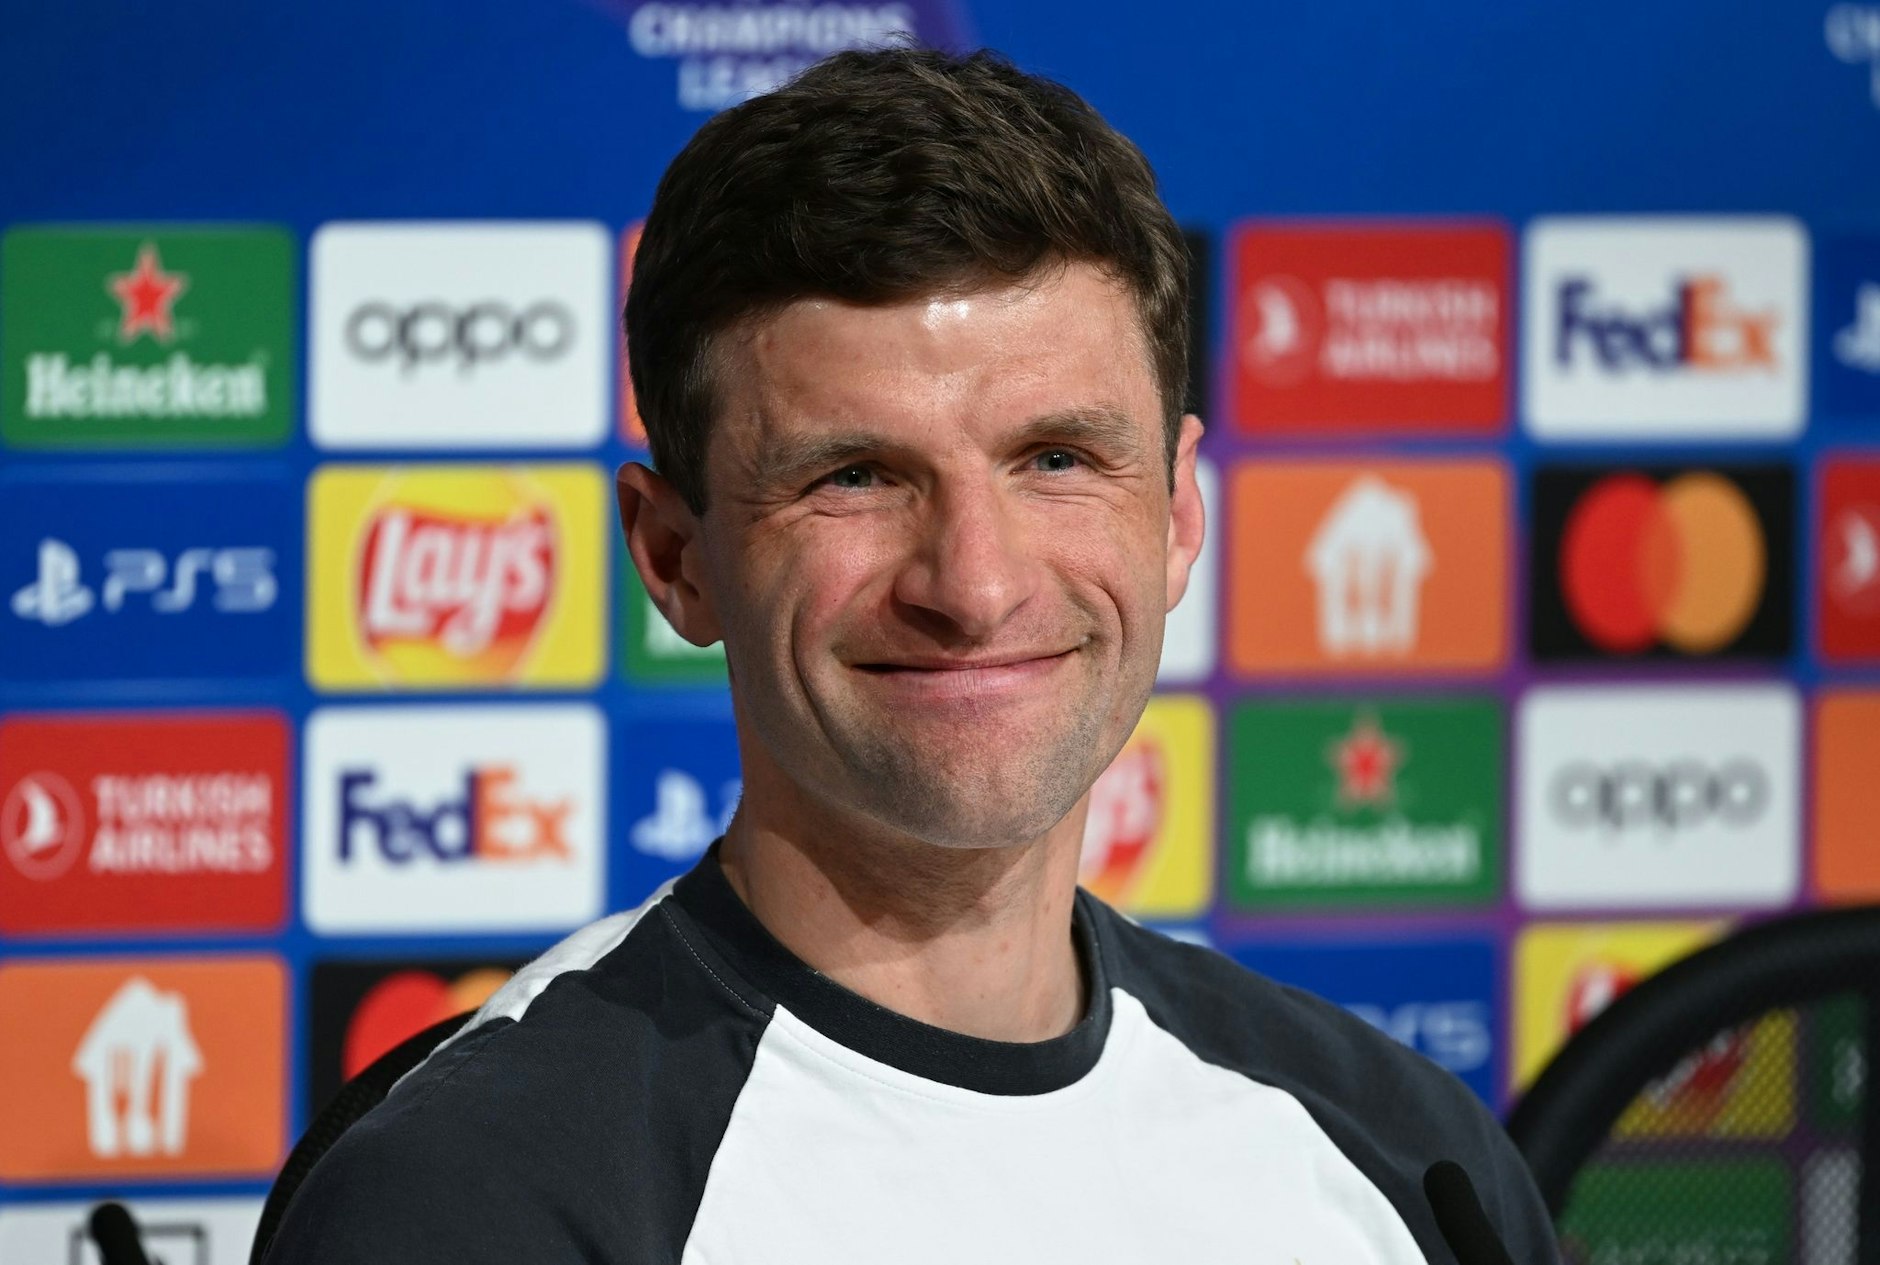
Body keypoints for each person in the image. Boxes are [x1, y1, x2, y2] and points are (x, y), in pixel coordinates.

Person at [266, 47, 1560, 1265]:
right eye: (856, 476)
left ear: (1176, 515)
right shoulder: (477, 1196)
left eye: (1056, 458)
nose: (977, 586)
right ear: (675, 557)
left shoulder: (1404, 1155)